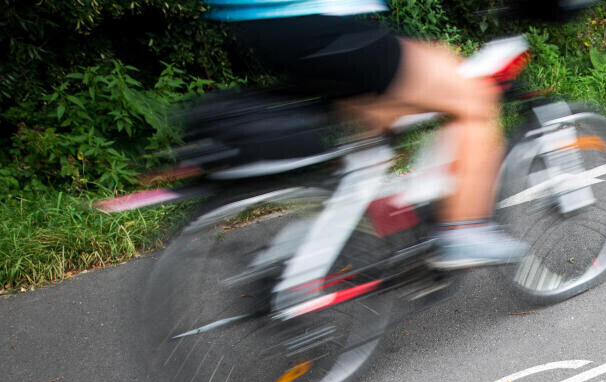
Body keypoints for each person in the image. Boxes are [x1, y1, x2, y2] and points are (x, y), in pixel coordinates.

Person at [203, 0, 528, 269]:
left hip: (259, 28)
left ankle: (370, 221)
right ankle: (464, 231)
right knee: (472, 96)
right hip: (316, 24)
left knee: (389, 103)